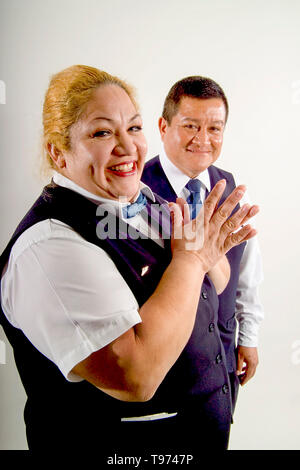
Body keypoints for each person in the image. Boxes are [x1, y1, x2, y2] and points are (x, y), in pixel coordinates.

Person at [0, 65, 258, 456]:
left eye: (133, 129)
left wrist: (205, 254)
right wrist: (190, 261)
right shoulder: (48, 246)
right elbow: (135, 377)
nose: (128, 147)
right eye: (102, 132)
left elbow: (215, 284)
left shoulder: (140, 199)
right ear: (58, 152)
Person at [142, 76, 264, 411]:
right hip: (160, 381)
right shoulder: (132, 194)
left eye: (214, 128)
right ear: (163, 127)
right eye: (190, 125)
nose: (203, 140)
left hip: (221, 370)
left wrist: (248, 338)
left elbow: (247, 277)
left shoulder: (235, 192)